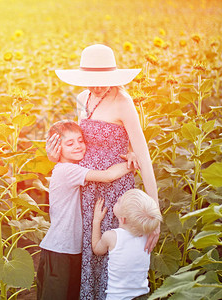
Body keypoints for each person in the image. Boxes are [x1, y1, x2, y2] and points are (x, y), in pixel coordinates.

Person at [47, 44, 159, 299]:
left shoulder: (123, 102)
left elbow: (143, 154)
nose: (96, 87)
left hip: (117, 186)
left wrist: (155, 214)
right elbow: (77, 140)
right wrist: (56, 156)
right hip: (89, 187)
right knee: (93, 246)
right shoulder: (82, 99)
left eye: (103, 81)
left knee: (117, 247)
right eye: (91, 81)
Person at [37, 120, 136, 300]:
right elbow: (108, 176)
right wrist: (134, 162)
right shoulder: (66, 170)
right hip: (59, 250)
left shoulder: (74, 167)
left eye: (81, 140)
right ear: (57, 147)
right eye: (70, 143)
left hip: (72, 250)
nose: (78, 146)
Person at [92, 189, 162, 300]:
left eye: (119, 202)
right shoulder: (147, 237)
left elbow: (96, 249)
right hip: (142, 296)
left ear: (123, 219)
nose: (118, 198)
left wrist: (96, 221)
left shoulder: (111, 236)